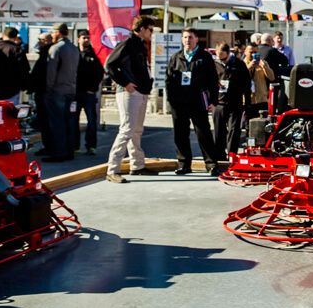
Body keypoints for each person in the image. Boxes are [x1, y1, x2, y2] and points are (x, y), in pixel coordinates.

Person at [104, 15, 158, 183]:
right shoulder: (127, 44)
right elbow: (110, 65)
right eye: (150, 29)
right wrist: (125, 83)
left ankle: (137, 165)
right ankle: (112, 169)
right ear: (141, 28)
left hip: (139, 91)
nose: (151, 33)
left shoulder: (140, 45)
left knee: (136, 130)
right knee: (127, 129)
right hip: (129, 92)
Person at [165, 28, 225, 175]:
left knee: (203, 132)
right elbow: (169, 81)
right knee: (180, 134)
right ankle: (184, 164)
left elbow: (213, 80)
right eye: (185, 37)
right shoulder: (176, 57)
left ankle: (211, 164)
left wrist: (213, 101)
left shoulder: (204, 57)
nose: (187, 40)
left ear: (197, 39)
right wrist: (171, 100)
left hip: (197, 101)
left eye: (190, 37)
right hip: (179, 103)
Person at [41, 23, 80, 163]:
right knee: (68, 122)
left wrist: (48, 89)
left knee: (57, 123)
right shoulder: (74, 49)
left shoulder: (56, 48)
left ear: (58, 32)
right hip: (70, 90)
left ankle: (59, 153)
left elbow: (51, 73)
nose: (52, 34)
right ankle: (69, 150)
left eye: (53, 31)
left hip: (58, 90)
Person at [213, 42, 252, 157]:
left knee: (234, 130)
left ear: (228, 53)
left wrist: (247, 104)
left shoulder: (239, 64)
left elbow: (247, 85)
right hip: (218, 103)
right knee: (218, 130)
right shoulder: (214, 64)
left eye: (223, 58)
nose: (222, 61)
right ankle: (219, 154)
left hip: (235, 102)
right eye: (219, 57)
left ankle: (232, 154)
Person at [74, 30, 104, 156]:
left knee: (91, 121)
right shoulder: (73, 53)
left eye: (88, 38)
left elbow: (99, 73)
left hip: (89, 93)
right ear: (78, 39)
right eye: (84, 38)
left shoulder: (93, 54)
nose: (86, 40)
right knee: (73, 120)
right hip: (74, 93)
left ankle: (91, 146)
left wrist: (93, 88)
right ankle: (74, 145)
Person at [0, 27, 30, 105]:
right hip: (11, 90)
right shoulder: (17, 50)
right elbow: (24, 70)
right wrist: (24, 86)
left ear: (3, 35)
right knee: (10, 114)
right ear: (16, 37)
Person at [244, 43, 275, 119]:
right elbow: (238, 78)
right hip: (247, 101)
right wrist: (249, 67)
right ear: (245, 52)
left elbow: (272, 78)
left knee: (261, 124)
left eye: (255, 52)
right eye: (251, 52)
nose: (253, 54)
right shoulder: (242, 64)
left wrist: (265, 67)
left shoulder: (263, 63)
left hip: (261, 100)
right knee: (248, 125)